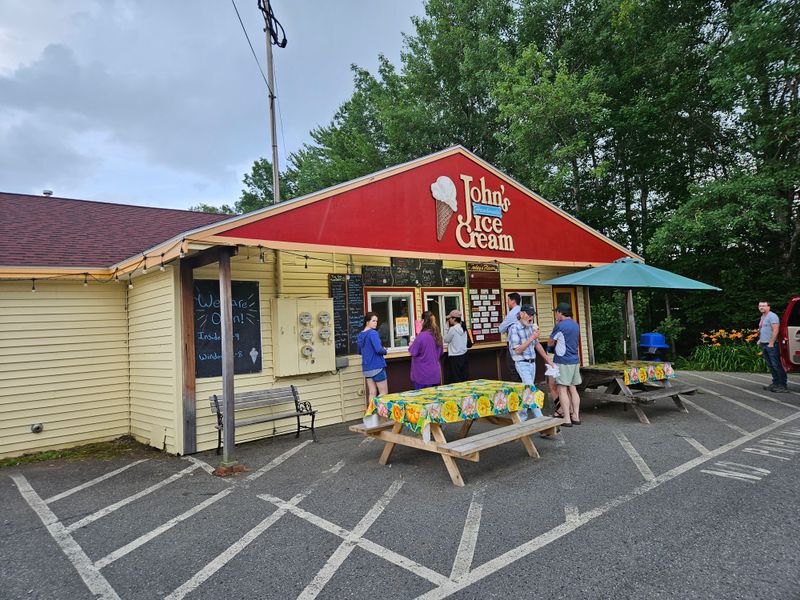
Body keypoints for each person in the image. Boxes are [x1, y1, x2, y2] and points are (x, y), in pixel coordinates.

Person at [507, 304, 553, 419]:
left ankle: (521, 417)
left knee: (527, 390)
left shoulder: (531, 327)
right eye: (529, 314)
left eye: (533, 315)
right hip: (522, 363)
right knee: (531, 389)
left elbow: (537, 344)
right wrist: (531, 338)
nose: (531, 317)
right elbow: (517, 350)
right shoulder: (514, 328)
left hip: (533, 363)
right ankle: (540, 418)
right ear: (522, 314)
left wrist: (548, 360)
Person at [548, 303, 582, 426]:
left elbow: (551, 342)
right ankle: (576, 416)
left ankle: (566, 418)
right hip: (575, 360)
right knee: (573, 388)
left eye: (556, 312)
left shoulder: (560, 326)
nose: (555, 314)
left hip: (563, 360)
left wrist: (551, 348)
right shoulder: (575, 324)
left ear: (560, 312)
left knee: (562, 388)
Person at [357, 312, 388, 407]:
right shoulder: (373, 333)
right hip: (377, 366)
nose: (376, 323)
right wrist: (385, 350)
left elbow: (359, 351)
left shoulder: (360, 335)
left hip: (367, 368)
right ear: (367, 322)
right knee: (384, 393)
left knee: (372, 393)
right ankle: (379, 414)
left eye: (376, 321)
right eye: (373, 321)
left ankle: (372, 416)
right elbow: (378, 349)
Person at [757, 300, 788, 393]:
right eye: (760, 306)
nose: (761, 307)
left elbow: (776, 330)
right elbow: (764, 330)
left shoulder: (772, 316)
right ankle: (775, 383)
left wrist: (771, 342)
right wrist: (760, 340)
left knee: (776, 365)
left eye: (763, 306)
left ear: (768, 307)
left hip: (771, 345)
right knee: (770, 365)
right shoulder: (763, 316)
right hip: (764, 344)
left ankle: (782, 385)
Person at [409, 311, 444, 389]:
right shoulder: (438, 335)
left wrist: (411, 344)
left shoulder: (421, 337)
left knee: (423, 400)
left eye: (421, 320)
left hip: (422, 376)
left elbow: (413, 352)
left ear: (424, 321)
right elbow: (441, 353)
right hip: (435, 375)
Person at [499, 292, 523, 380]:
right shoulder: (523, 311)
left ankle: (517, 391)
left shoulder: (512, 313)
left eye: (508, 300)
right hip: (525, 343)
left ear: (513, 301)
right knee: (522, 369)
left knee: (513, 369)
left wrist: (507, 329)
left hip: (513, 344)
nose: (507, 302)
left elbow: (501, 328)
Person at [443, 309, 469, 383]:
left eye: (450, 318)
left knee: (455, 379)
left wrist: (446, 328)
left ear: (454, 318)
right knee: (464, 377)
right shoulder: (463, 328)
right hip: (464, 355)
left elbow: (446, 339)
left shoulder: (452, 329)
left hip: (455, 357)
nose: (449, 320)